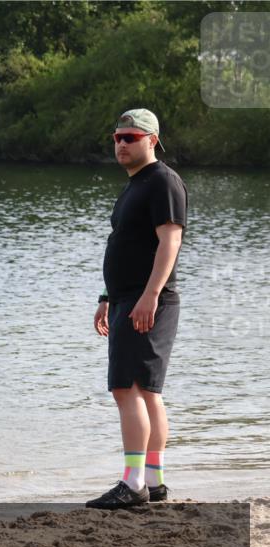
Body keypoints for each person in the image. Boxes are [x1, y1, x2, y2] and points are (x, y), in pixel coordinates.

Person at [87, 109, 187, 510]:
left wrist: (150, 295)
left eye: (131, 137)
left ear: (152, 140)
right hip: (127, 297)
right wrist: (106, 296)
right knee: (145, 390)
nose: (122, 144)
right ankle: (153, 480)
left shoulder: (163, 180)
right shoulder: (136, 185)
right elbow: (126, 243)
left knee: (126, 388)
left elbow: (170, 241)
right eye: (117, 137)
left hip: (147, 299)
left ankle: (133, 484)